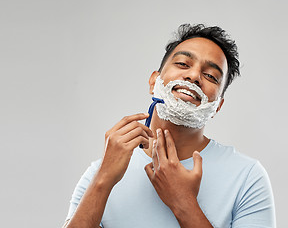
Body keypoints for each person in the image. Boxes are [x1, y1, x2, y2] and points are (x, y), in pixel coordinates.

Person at [63, 24, 276, 228]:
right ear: (153, 81)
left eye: (210, 76)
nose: (193, 76)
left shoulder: (247, 176)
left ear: (217, 106)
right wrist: (103, 180)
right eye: (183, 64)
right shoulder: (100, 172)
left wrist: (183, 202)